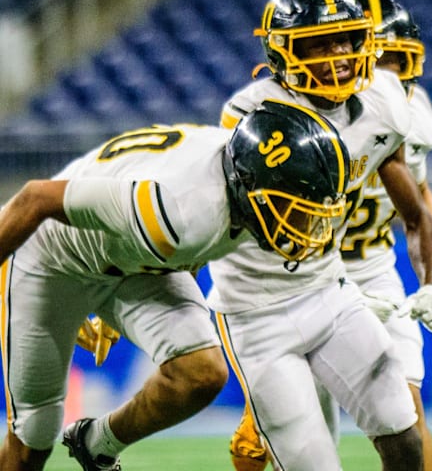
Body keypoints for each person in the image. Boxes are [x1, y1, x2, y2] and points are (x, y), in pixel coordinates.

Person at [225, 0, 432, 471]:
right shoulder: (264, 115)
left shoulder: (396, 108)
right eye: (384, 58)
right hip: (299, 274)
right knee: (273, 442)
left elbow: (417, 204)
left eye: (401, 62)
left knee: (404, 412)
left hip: (371, 263)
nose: (391, 73)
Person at [0, 99, 353, 471]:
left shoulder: (243, 183)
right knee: (34, 437)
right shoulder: (179, 204)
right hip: (54, 255)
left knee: (200, 373)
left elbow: (193, 244)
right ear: (253, 189)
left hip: (131, 259)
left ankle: (95, 444)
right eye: (295, 207)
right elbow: (35, 198)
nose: (302, 223)